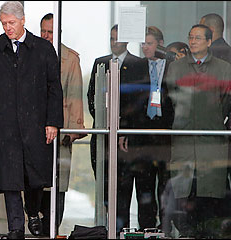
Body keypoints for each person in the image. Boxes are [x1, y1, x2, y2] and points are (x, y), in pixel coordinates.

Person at [0, 1, 63, 239]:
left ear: (23, 20)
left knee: (34, 175)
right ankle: (15, 227)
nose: (8, 28)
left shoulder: (42, 48)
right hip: (4, 123)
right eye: (4, 23)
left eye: (12, 23)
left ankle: (33, 212)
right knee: (9, 177)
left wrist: (53, 121)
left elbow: (54, 89)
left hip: (36, 123)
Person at [164, 24, 231, 238]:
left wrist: (210, 119)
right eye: (190, 37)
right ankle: (187, 232)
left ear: (209, 42)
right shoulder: (176, 68)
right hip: (184, 139)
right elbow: (171, 100)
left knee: (209, 191)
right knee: (183, 192)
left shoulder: (223, 68)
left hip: (210, 138)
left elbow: (227, 101)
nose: (192, 41)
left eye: (198, 38)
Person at [27, 13, 86, 237]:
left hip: (58, 130)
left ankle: (52, 227)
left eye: (50, 32)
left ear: (58, 33)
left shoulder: (69, 58)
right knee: (33, 181)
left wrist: (71, 131)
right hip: (33, 130)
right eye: (43, 31)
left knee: (58, 184)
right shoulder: (31, 52)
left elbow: (75, 96)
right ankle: (35, 225)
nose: (46, 35)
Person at [87, 24, 148, 233]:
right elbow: (92, 97)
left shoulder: (139, 64)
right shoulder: (100, 63)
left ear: (126, 41)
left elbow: (140, 99)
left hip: (127, 138)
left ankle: (122, 231)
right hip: (104, 135)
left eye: (118, 39)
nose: (114, 43)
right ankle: (106, 230)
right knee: (104, 187)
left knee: (123, 188)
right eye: (111, 38)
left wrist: (124, 124)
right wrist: (105, 121)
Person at [200, 13, 231, 215]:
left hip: (225, 127)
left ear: (210, 31)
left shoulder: (218, 52)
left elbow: (219, 93)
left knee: (227, 176)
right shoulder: (225, 50)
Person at [134, 26, 174, 231]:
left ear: (160, 43)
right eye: (142, 44)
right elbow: (130, 100)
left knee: (165, 181)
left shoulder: (173, 65)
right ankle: (146, 225)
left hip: (166, 129)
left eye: (149, 43)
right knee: (144, 182)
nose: (145, 48)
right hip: (143, 130)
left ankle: (165, 225)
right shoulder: (138, 66)